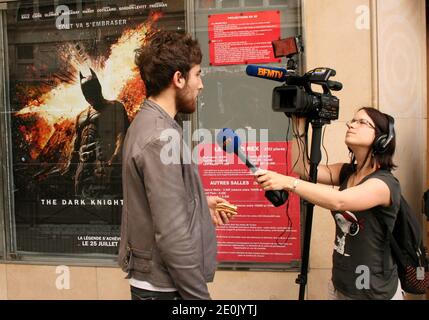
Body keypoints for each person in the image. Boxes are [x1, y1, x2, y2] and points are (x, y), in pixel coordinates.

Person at [118, 30, 233, 300]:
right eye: (197, 74)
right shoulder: (159, 136)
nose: (201, 85)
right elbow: (171, 235)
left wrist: (198, 203)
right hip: (164, 290)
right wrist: (199, 299)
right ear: (178, 79)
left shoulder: (150, 123)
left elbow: (155, 204)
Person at [254, 107, 403, 300]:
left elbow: (339, 201)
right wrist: (298, 125)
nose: (351, 124)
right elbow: (302, 168)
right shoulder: (347, 172)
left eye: (362, 122)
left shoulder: (384, 184)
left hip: (373, 290)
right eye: (352, 120)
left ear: (382, 138)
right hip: (341, 282)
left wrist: (287, 182)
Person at [71, 68, 130, 198]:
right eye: (86, 92)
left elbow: (122, 133)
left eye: (92, 90)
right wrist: (72, 166)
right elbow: (76, 146)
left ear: (99, 88)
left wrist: (116, 155)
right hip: (84, 167)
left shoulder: (115, 107)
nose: (90, 95)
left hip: (104, 163)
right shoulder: (80, 116)